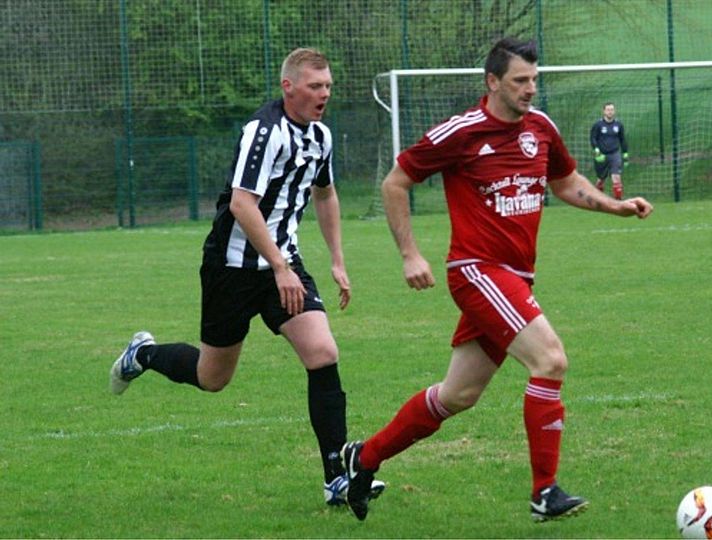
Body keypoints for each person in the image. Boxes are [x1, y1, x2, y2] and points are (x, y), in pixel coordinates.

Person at [342, 37, 654, 523]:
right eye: (519, 81)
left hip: (515, 278)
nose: (530, 89)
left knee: (457, 395)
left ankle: (363, 458)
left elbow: (565, 182)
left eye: (534, 79)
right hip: (476, 271)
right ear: (492, 82)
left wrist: (616, 206)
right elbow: (395, 182)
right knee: (550, 360)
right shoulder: (462, 132)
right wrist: (410, 254)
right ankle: (544, 492)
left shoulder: (541, 128)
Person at [109, 47, 383, 506]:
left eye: (328, 86)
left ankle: (336, 478)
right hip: (232, 269)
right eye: (315, 86)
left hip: (282, 265)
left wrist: (336, 260)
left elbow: (326, 194)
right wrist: (279, 266)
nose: (324, 94)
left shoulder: (320, 136)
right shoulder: (264, 132)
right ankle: (144, 354)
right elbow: (242, 203)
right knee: (212, 377)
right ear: (288, 87)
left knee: (322, 353)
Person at [590, 102, 629, 200]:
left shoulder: (618, 125)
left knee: (616, 177)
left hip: (614, 154)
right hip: (601, 155)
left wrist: (625, 153)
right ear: (604, 111)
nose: (610, 112)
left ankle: (618, 202)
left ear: (614, 111)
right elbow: (593, 138)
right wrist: (596, 149)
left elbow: (622, 139)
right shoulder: (598, 125)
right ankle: (598, 198)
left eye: (612, 110)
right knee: (600, 180)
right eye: (608, 110)